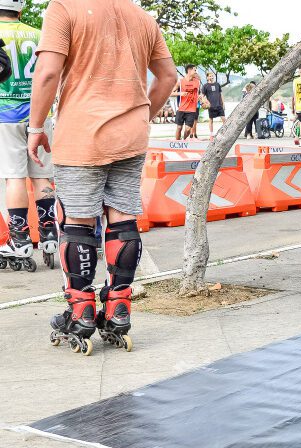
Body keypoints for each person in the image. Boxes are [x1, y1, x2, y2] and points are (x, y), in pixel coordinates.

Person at [29, 0, 176, 354]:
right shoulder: (141, 16)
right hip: (131, 136)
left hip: (83, 134)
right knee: (123, 217)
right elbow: (168, 76)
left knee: (78, 222)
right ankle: (119, 308)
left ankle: (80, 311)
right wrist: (142, 114)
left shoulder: (64, 8)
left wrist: (36, 126)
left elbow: (48, 72)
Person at [0, 0, 57, 270]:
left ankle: (20, 237)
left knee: (14, 178)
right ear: (20, 9)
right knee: (41, 175)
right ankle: (48, 230)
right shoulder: (38, 34)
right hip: (38, 114)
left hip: (5, 113)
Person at [173, 65, 200, 140]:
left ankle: (183, 140)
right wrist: (179, 93)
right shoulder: (180, 82)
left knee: (188, 130)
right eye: (195, 70)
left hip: (192, 110)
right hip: (181, 108)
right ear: (189, 70)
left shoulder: (197, 82)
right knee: (179, 127)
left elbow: (199, 94)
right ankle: (177, 144)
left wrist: (201, 99)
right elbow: (170, 93)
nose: (196, 72)